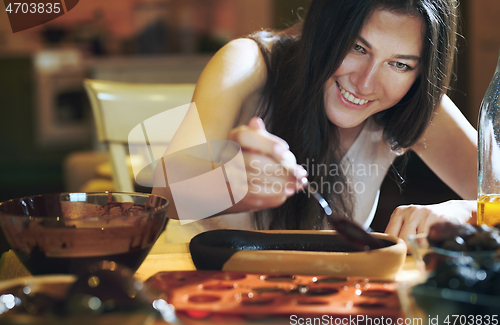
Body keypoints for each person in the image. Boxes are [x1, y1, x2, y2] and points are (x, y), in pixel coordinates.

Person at [153, 0, 477, 244]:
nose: (365, 83)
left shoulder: (413, 98)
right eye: (357, 47)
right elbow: (165, 196)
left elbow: (496, 191)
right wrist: (229, 185)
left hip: (319, 304)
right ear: (325, 31)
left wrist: (460, 213)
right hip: (202, 297)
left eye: (400, 64)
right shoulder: (248, 63)